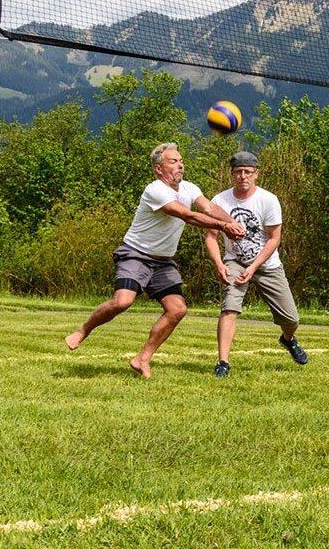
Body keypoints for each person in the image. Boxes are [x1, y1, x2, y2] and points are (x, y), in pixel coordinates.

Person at [65, 143, 244, 379]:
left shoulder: (190, 188)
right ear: (158, 169)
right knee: (122, 302)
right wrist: (224, 227)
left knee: (177, 309)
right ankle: (83, 330)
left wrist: (232, 222)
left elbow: (210, 208)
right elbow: (187, 215)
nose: (180, 164)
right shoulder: (155, 190)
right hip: (136, 254)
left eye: (181, 160)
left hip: (163, 261)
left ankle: (142, 358)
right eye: (173, 161)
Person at [205, 150, 308, 373]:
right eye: (238, 172)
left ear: (256, 174)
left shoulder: (268, 200)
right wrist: (219, 264)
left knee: (291, 318)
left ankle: (288, 339)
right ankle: (223, 362)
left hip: (266, 263)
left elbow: (274, 239)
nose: (243, 176)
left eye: (248, 172)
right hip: (235, 261)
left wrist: (253, 267)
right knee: (229, 308)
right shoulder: (219, 201)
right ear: (231, 174)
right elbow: (211, 237)